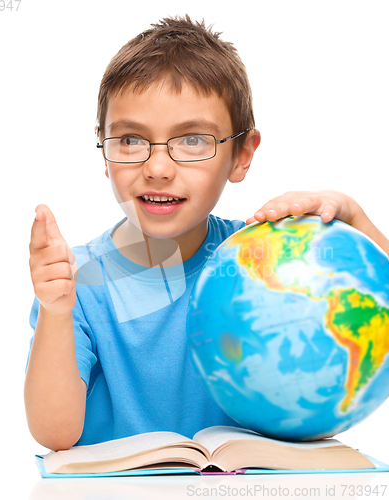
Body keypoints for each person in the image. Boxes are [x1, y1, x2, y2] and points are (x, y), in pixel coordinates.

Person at [24, 15, 389, 452]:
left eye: (193, 140)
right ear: (104, 151)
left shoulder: (268, 258)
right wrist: (56, 311)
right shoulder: (78, 281)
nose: (157, 168)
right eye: (130, 140)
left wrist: (358, 220)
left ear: (242, 155)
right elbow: (54, 433)